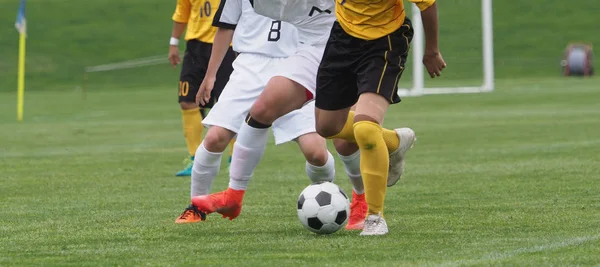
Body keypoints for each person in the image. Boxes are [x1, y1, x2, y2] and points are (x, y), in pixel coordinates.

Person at [175, 0, 366, 229]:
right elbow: (226, 26)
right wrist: (211, 75)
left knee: (316, 153)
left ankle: (331, 199)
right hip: (250, 65)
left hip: (298, 62)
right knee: (216, 137)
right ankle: (196, 207)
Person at [169, 0, 236, 176]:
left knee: (230, 102)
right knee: (187, 101)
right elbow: (182, 13)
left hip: (227, 46)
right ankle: (195, 158)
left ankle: (235, 158)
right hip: (196, 47)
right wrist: (173, 42)